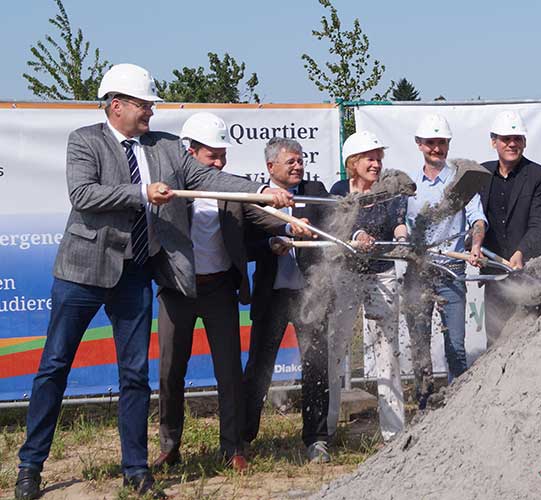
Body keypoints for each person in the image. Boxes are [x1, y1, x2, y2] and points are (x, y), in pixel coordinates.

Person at [13, 63, 293, 500]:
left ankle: (136, 470)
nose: (150, 112)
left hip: (134, 275)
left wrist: (260, 191)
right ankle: (31, 466)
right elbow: (83, 194)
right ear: (117, 104)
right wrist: (141, 192)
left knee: (134, 375)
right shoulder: (85, 140)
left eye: (151, 105)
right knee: (54, 367)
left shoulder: (164, 147)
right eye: (144, 104)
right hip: (81, 274)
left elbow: (208, 178)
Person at [151, 113, 288, 473]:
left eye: (223, 155)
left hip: (219, 291)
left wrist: (291, 221)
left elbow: (266, 217)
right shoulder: (169, 188)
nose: (219, 162)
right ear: (189, 151)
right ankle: (170, 445)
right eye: (212, 155)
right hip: (176, 291)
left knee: (228, 371)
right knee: (170, 372)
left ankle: (233, 447)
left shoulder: (230, 190)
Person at [241, 137, 334, 463]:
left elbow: (332, 229)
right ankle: (243, 438)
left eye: (300, 160)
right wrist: (270, 244)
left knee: (315, 365)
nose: (298, 166)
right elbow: (244, 247)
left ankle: (316, 438)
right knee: (259, 367)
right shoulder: (255, 199)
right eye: (290, 162)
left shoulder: (315, 191)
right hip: (272, 295)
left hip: (310, 293)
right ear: (271, 167)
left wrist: (315, 235)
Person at [326, 130, 409, 440]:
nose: (376, 164)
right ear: (353, 162)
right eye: (369, 158)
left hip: (382, 275)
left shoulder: (390, 191)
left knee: (388, 350)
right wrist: (357, 236)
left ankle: (394, 432)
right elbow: (339, 225)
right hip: (346, 275)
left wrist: (402, 236)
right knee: (337, 348)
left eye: (378, 158)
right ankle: (327, 427)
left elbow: (398, 220)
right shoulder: (338, 190)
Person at [405, 114, 487, 404]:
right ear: (420, 145)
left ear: (448, 145)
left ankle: (458, 407)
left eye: (441, 143)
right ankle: (424, 406)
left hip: (451, 271)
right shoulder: (409, 186)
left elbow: (477, 220)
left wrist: (475, 245)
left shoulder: (461, 183)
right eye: (431, 143)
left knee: (456, 346)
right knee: (420, 347)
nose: (436, 149)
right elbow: (400, 225)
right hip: (417, 271)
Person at [479, 111, 541, 344]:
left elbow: (538, 224)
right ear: (494, 142)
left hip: (532, 272)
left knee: (533, 341)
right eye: (505, 139)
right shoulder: (481, 174)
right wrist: (475, 245)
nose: (512, 144)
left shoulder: (539, 175)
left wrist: (520, 252)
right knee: (496, 341)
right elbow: (475, 218)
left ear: (524, 142)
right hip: (496, 273)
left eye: (517, 138)